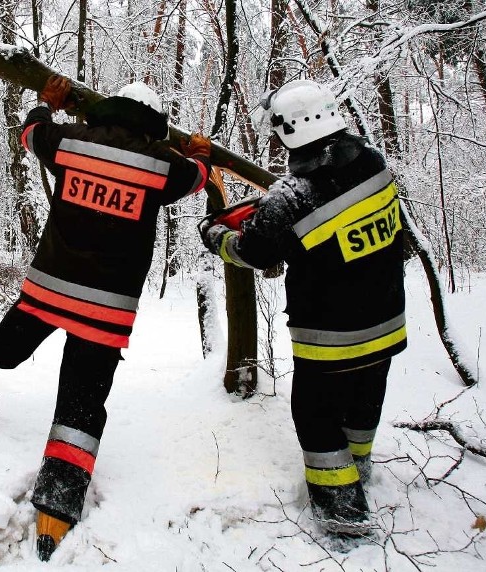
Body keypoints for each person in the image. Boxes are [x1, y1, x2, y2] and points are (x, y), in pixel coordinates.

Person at [0, 75, 211, 560]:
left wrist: (47, 106)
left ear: (107, 109)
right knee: (82, 400)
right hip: (105, 309)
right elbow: (197, 177)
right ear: (153, 124)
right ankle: (57, 507)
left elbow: (31, 133)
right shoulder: (162, 164)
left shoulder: (72, 142)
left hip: (46, 291)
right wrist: (200, 152)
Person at [199, 79, 406, 536]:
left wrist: (219, 237)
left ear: (288, 131)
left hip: (330, 337)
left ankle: (342, 515)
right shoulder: (374, 164)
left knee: (316, 419)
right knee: (364, 403)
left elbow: (256, 254)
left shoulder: (289, 198)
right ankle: (360, 471)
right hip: (387, 323)